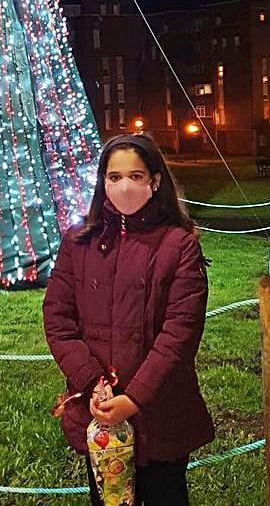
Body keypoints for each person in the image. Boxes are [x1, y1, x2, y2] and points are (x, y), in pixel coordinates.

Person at [43, 134, 214, 506]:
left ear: (155, 182)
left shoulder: (180, 244)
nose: (124, 186)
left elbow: (179, 333)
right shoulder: (78, 242)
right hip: (98, 409)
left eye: (136, 176)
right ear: (102, 181)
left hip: (160, 413)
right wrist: (93, 383)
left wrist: (133, 398)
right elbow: (58, 318)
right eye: (114, 176)